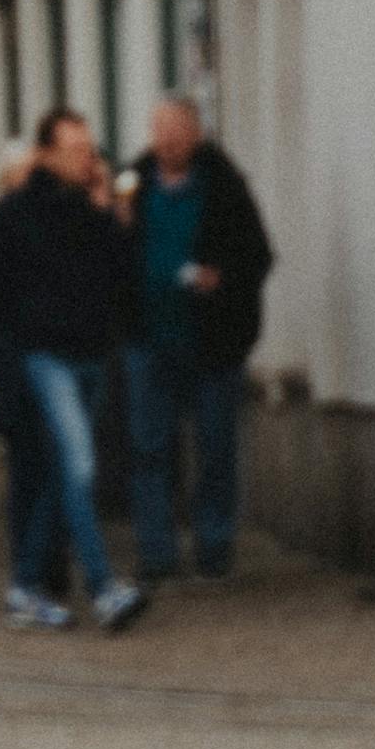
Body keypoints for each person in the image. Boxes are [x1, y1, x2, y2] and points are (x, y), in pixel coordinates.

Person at [0, 106, 146, 633]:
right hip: (43, 359)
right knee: (80, 466)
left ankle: (25, 586)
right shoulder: (14, 213)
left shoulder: (93, 213)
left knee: (56, 475)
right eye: (75, 151)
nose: (87, 160)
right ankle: (104, 587)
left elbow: (123, 283)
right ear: (46, 154)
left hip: (92, 358)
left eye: (91, 150)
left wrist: (112, 213)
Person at [119, 91, 274, 583]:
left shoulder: (224, 187)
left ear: (195, 135)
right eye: (158, 131)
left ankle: (213, 546)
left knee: (214, 446)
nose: (166, 142)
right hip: (147, 339)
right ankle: (157, 552)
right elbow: (105, 257)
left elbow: (257, 255)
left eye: (176, 132)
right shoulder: (132, 185)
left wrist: (220, 277)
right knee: (149, 449)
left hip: (212, 341)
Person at [0, 143, 67, 630]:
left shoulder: (48, 221)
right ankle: (32, 578)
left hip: (39, 365)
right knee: (33, 472)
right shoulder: (1, 226)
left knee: (48, 471)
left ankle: (46, 575)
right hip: (14, 372)